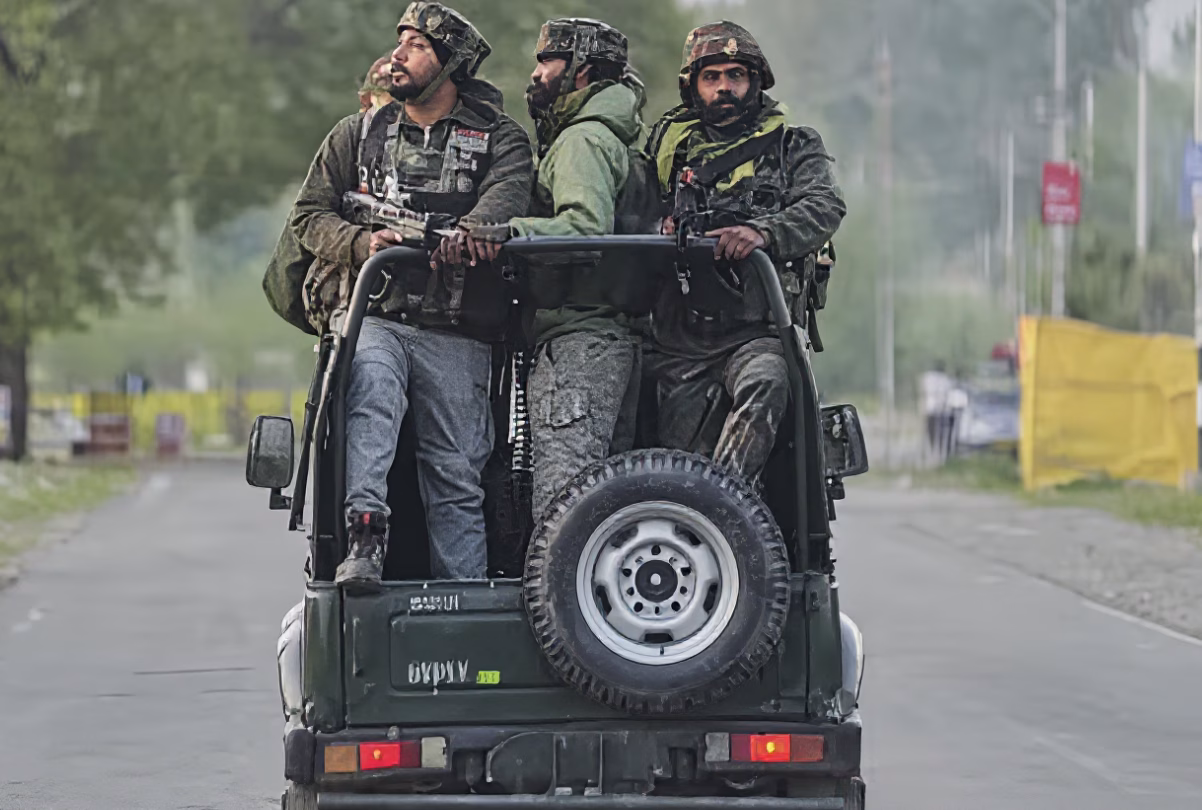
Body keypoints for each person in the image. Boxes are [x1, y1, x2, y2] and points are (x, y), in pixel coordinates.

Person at [263, 1, 534, 590]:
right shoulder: (357, 134)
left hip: (459, 331)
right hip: (378, 318)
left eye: (416, 46)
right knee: (370, 397)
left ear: (451, 64)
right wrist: (362, 243)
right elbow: (309, 215)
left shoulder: (499, 139)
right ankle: (364, 538)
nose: (397, 55)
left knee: (457, 475)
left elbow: (509, 198)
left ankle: (465, 599)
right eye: (399, 41)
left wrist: (470, 234)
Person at [642, 21, 846, 484]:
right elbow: (623, 214)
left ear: (755, 81)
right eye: (711, 78)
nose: (724, 88)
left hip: (756, 332)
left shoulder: (794, 145)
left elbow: (824, 206)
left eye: (736, 75)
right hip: (680, 340)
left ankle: (728, 502)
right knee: (670, 463)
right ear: (693, 86)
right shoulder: (664, 149)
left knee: (768, 379)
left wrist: (763, 232)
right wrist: (660, 228)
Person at [474, 18, 646, 521]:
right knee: (596, 505)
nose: (535, 74)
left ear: (581, 73)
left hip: (579, 342)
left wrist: (509, 233)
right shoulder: (615, 137)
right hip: (606, 337)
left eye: (546, 61)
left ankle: (552, 603)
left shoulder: (582, 142)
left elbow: (586, 228)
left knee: (562, 509)